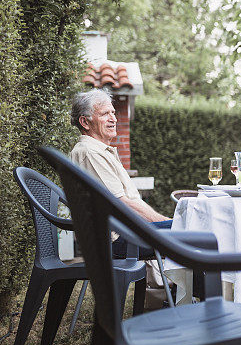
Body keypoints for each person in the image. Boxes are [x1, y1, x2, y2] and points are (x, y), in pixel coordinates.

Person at [70, 89, 171, 258]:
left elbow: (130, 201)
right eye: (104, 114)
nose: (113, 119)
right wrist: (165, 222)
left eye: (113, 113)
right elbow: (122, 203)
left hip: (124, 234)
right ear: (85, 122)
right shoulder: (91, 152)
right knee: (195, 233)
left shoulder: (98, 151)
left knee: (189, 229)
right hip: (119, 240)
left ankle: (182, 285)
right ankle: (201, 285)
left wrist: (165, 222)